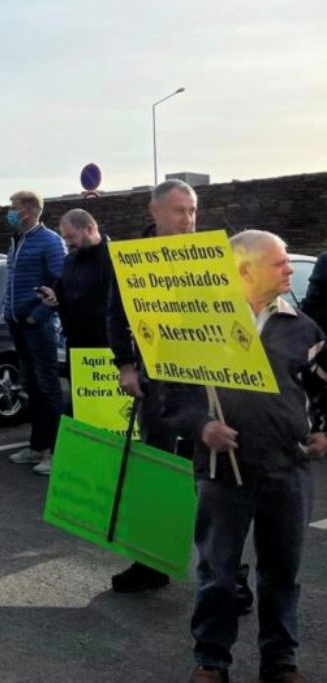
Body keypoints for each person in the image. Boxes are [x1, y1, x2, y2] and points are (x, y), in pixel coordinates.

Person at [188, 230, 327, 683]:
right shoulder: (201, 325)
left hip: (288, 468)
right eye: (279, 262)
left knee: (281, 572)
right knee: (217, 572)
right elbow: (171, 393)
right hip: (222, 471)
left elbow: (323, 388)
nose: (290, 270)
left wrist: (324, 431)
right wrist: (202, 426)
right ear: (244, 270)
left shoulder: (303, 327)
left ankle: (280, 660)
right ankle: (211, 661)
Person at [107, 179, 254, 607]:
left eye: (192, 211)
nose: (189, 219)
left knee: (213, 480)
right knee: (156, 472)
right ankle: (151, 562)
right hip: (156, 386)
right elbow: (116, 313)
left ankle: (229, 575)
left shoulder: (208, 254)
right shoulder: (133, 259)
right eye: (179, 211)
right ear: (154, 211)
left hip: (204, 387)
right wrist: (126, 365)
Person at [37, 208, 114, 474]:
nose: (68, 243)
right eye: (65, 237)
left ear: (89, 228)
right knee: (81, 404)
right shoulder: (71, 261)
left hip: (105, 346)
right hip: (77, 344)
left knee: (105, 408)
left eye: (71, 237)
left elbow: (116, 306)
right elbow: (65, 293)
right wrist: (54, 299)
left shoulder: (113, 258)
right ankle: (80, 461)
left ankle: (100, 461)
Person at [2, 191, 67, 472]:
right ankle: (37, 446)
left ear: (28, 211)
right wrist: (7, 310)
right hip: (18, 323)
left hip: (39, 326)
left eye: (13, 207)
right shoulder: (16, 241)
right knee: (30, 387)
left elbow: (60, 282)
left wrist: (36, 316)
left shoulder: (51, 241)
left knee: (47, 386)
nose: (9, 212)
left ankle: (56, 452)